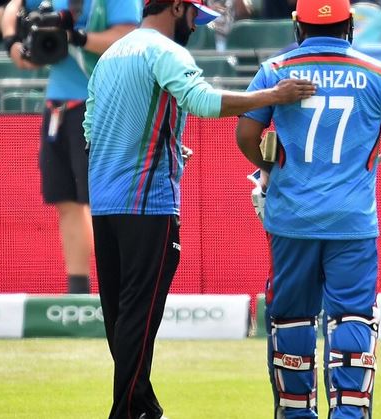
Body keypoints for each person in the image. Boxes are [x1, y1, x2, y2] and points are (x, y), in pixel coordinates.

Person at [82, 0, 316, 417]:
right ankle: (127, 412)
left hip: (104, 204)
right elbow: (202, 101)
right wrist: (273, 95)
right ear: (176, 7)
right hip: (148, 204)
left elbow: (91, 128)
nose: (197, 25)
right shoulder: (166, 50)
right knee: (139, 318)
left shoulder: (112, 54)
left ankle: (144, 408)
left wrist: (164, 148)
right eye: (195, 15)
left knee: (121, 321)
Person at [235, 0, 381, 417]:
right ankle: (350, 414)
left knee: (291, 319)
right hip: (352, 223)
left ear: (297, 24)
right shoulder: (378, 74)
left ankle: (297, 412)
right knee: (353, 318)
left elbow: (245, 134)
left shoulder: (276, 70)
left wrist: (269, 168)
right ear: (350, 24)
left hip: (290, 220)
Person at [0, 0, 141, 294]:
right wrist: (12, 42)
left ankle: (115, 287)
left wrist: (77, 37)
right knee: (66, 202)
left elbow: (129, 38)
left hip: (100, 104)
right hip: (57, 106)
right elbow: (15, 5)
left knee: (101, 205)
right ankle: (78, 289)